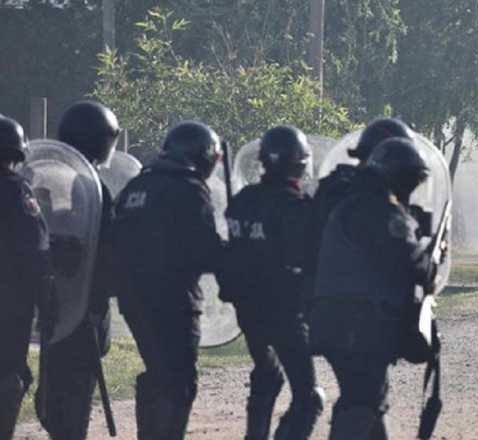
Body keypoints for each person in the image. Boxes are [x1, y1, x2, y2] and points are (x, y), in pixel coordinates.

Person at [310, 138, 443, 440]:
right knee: (363, 401)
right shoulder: (381, 209)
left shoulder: (356, 201)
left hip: (341, 319)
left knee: (367, 397)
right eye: (412, 181)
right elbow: (413, 263)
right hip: (358, 323)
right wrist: (433, 258)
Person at [112, 121, 224, 439]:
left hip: (134, 302)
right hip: (175, 301)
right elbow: (204, 251)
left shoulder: (136, 187)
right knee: (179, 382)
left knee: (157, 373)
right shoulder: (189, 187)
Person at [221, 126, 324, 439]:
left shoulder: (241, 200)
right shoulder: (295, 207)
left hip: (248, 311)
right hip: (285, 313)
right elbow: (308, 260)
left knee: (267, 376)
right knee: (309, 397)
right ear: (300, 164)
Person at [36, 101, 121, 439]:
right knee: (71, 404)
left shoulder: (69, 182)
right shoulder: (95, 189)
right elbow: (107, 254)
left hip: (57, 306)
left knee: (57, 393)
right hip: (83, 310)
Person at [308, 119, 413, 297]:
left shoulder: (332, 188)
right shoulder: (379, 199)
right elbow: (407, 260)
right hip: (368, 309)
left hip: (322, 305)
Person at [0, 116, 55, 439]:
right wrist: (46, 301)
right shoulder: (14, 190)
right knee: (8, 376)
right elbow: (36, 249)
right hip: (8, 302)